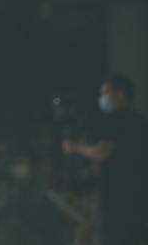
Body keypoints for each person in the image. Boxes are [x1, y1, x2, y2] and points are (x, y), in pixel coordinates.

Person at [63, 72, 148, 245]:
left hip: (115, 205)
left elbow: (104, 152)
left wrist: (77, 148)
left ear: (120, 94)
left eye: (105, 92)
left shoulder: (113, 120)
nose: (102, 98)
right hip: (139, 206)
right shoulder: (141, 122)